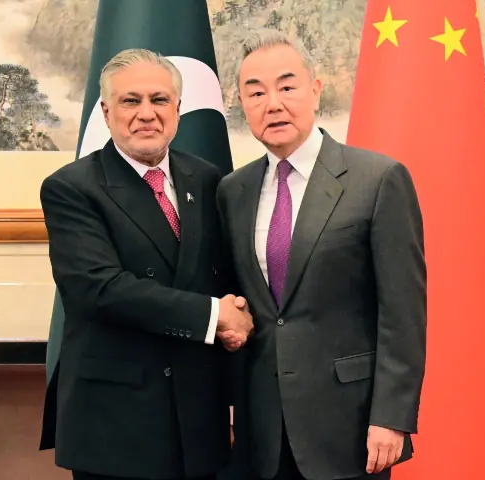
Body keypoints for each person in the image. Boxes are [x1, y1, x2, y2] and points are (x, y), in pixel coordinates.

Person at [216, 29, 427, 480]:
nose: (273, 104)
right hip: (260, 430)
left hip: (349, 425)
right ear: (242, 104)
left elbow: (403, 312)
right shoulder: (233, 191)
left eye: (287, 87)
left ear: (315, 90)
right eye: (256, 92)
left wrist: (391, 417)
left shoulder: (378, 179)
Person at [38, 48, 253, 480]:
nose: (146, 113)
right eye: (130, 100)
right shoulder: (72, 188)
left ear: (178, 109)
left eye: (159, 99)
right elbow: (99, 290)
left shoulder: (208, 180)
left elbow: (224, 276)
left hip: (197, 419)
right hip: (116, 424)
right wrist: (215, 316)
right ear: (106, 111)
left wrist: (238, 320)